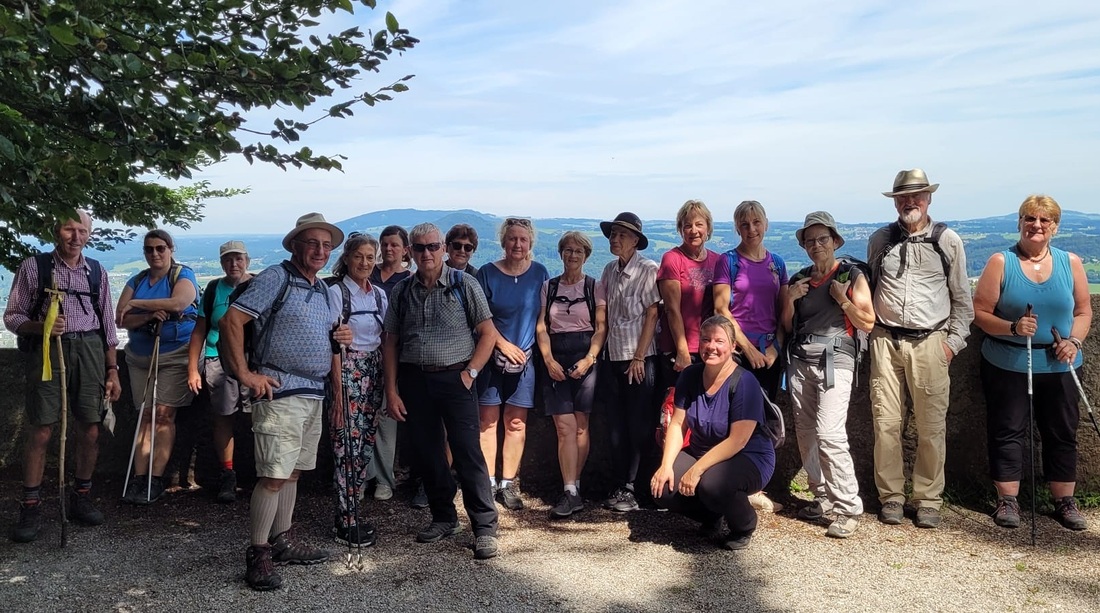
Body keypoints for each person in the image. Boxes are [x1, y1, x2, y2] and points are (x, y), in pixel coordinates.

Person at [220, 212, 351, 591]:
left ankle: (282, 542)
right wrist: (245, 374)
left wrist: (340, 336)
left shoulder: (325, 290)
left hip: (313, 392)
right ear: (295, 245)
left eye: (326, 245)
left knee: (292, 471)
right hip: (278, 391)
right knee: (275, 474)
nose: (320, 250)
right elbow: (231, 322)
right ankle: (258, 553)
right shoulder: (276, 277)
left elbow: (330, 340)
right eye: (312, 243)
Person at [972, 195, 1092, 531]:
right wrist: (1012, 327)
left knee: (1062, 431)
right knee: (1007, 430)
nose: (1036, 225)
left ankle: (1064, 502)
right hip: (1008, 361)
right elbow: (980, 313)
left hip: (1060, 362)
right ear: (1020, 223)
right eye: (1029, 219)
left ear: (1054, 226)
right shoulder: (1001, 262)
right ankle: (1008, 501)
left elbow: (1083, 311)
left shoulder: (1071, 263)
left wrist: (1074, 341)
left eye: (1044, 220)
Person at [383, 222, 501, 560]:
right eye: (419, 248)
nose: (426, 254)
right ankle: (444, 517)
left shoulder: (465, 284)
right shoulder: (402, 291)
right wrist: (392, 389)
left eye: (432, 247)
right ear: (410, 251)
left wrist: (470, 373)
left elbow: (488, 333)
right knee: (428, 453)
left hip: (456, 379)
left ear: (444, 249)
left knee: (467, 452)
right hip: (415, 380)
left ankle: (484, 527)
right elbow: (390, 341)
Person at [4, 210, 122, 543]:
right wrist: (41, 327)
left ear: (89, 234)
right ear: (57, 231)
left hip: (90, 351)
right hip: (48, 352)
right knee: (41, 429)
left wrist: (112, 370)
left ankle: (81, 498)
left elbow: (108, 327)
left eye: (81, 230)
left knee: (90, 427)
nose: (75, 237)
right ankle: (30, 505)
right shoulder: (35, 267)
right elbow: (13, 316)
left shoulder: (96, 271)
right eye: (69, 229)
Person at [867, 169, 973, 529]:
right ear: (895, 201)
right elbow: (868, 289)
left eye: (917, 196)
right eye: (903, 197)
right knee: (885, 424)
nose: (910, 202)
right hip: (885, 339)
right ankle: (891, 497)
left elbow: (962, 299)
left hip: (931, 341)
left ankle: (928, 499)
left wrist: (951, 345)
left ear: (929, 199)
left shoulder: (948, 241)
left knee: (931, 427)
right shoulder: (880, 239)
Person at [781, 212, 876, 538]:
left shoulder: (851, 276)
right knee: (806, 433)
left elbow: (868, 322)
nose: (816, 245)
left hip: (836, 361)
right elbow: (786, 327)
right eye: (810, 241)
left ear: (835, 241)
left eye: (822, 239)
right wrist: (790, 302)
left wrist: (843, 300)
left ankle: (847, 506)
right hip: (801, 361)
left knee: (829, 433)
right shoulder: (799, 280)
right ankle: (821, 497)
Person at [650, 316, 776, 550]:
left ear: (733, 346)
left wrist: (696, 470)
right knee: (662, 487)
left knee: (713, 484)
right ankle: (711, 516)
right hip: (702, 450)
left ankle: (744, 525)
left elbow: (738, 440)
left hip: (747, 456)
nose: (712, 346)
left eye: (720, 341)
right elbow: (678, 424)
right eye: (706, 340)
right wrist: (666, 465)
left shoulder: (744, 382)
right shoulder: (690, 375)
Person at [116, 229, 199, 505]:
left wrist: (137, 304)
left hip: (175, 354)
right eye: (150, 249)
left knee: (163, 415)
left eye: (160, 248)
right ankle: (140, 478)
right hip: (141, 357)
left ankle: (155, 478)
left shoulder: (182, 275)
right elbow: (121, 318)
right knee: (145, 416)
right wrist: (150, 314)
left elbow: (179, 303)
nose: (155, 254)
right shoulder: (137, 278)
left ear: (171, 249)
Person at [475, 217, 549, 510]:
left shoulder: (540, 274)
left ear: (530, 243)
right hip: (490, 358)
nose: (517, 244)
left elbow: (544, 318)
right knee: (487, 422)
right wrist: (503, 345)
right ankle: (487, 482)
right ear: (503, 242)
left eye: (523, 239)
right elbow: (480, 318)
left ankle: (508, 483)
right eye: (512, 239)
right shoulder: (487, 274)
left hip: (526, 360)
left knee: (516, 423)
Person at [535, 231, 607, 519]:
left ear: (586, 256)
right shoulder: (548, 287)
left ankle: (573, 489)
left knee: (580, 425)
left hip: (585, 355)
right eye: (567, 250)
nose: (572, 255)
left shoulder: (594, 287)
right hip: (555, 356)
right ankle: (570, 490)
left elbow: (601, 327)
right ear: (560, 253)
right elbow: (542, 326)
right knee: (563, 426)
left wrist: (589, 359)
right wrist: (548, 359)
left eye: (578, 251)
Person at [327, 232, 388, 545]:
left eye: (369, 257)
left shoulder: (378, 295)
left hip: (373, 372)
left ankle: (352, 512)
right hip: (348, 372)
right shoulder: (337, 292)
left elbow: (385, 339)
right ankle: (345, 520)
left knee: (364, 444)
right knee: (345, 447)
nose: (364, 262)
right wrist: (337, 393)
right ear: (347, 258)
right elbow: (333, 345)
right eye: (358, 256)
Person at [599, 212, 661, 513]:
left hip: (639, 360)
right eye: (613, 234)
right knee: (616, 425)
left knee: (638, 425)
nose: (615, 238)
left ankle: (634, 488)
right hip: (612, 356)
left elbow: (653, 313)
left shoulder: (648, 270)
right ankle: (620, 483)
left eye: (622, 235)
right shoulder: (609, 270)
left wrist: (639, 356)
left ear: (635, 241)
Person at [186, 240, 252, 503]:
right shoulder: (214, 288)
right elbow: (200, 329)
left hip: (251, 360)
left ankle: (264, 472)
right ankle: (227, 474)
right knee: (222, 417)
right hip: (217, 359)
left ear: (247, 260)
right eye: (228, 260)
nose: (233, 264)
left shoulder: (257, 286)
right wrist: (193, 368)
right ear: (221, 262)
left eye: (238, 259)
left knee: (259, 418)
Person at [713, 200, 789, 399]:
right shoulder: (728, 261)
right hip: (736, 352)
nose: (752, 229)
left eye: (756, 222)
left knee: (765, 419)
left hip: (769, 354)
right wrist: (748, 349)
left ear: (766, 224)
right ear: (738, 229)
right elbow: (721, 310)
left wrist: (776, 347)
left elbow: (783, 312)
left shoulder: (777, 264)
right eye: (745, 224)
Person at [368, 224, 412, 504]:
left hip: (395, 354)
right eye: (384, 244)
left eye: (394, 245)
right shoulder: (368, 274)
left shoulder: (408, 280)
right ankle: (362, 476)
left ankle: (384, 478)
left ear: (405, 249)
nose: (388, 249)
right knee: (360, 418)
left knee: (386, 417)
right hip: (364, 353)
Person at [657, 199, 721, 382]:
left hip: (709, 347)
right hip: (679, 349)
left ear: (708, 228)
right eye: (687, 225)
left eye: (699, 224)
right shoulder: (672, 259)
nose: (694, 230)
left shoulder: (717, 261)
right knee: (676, 406)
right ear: (680, 229)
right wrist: (683, 351)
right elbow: (671, 309)